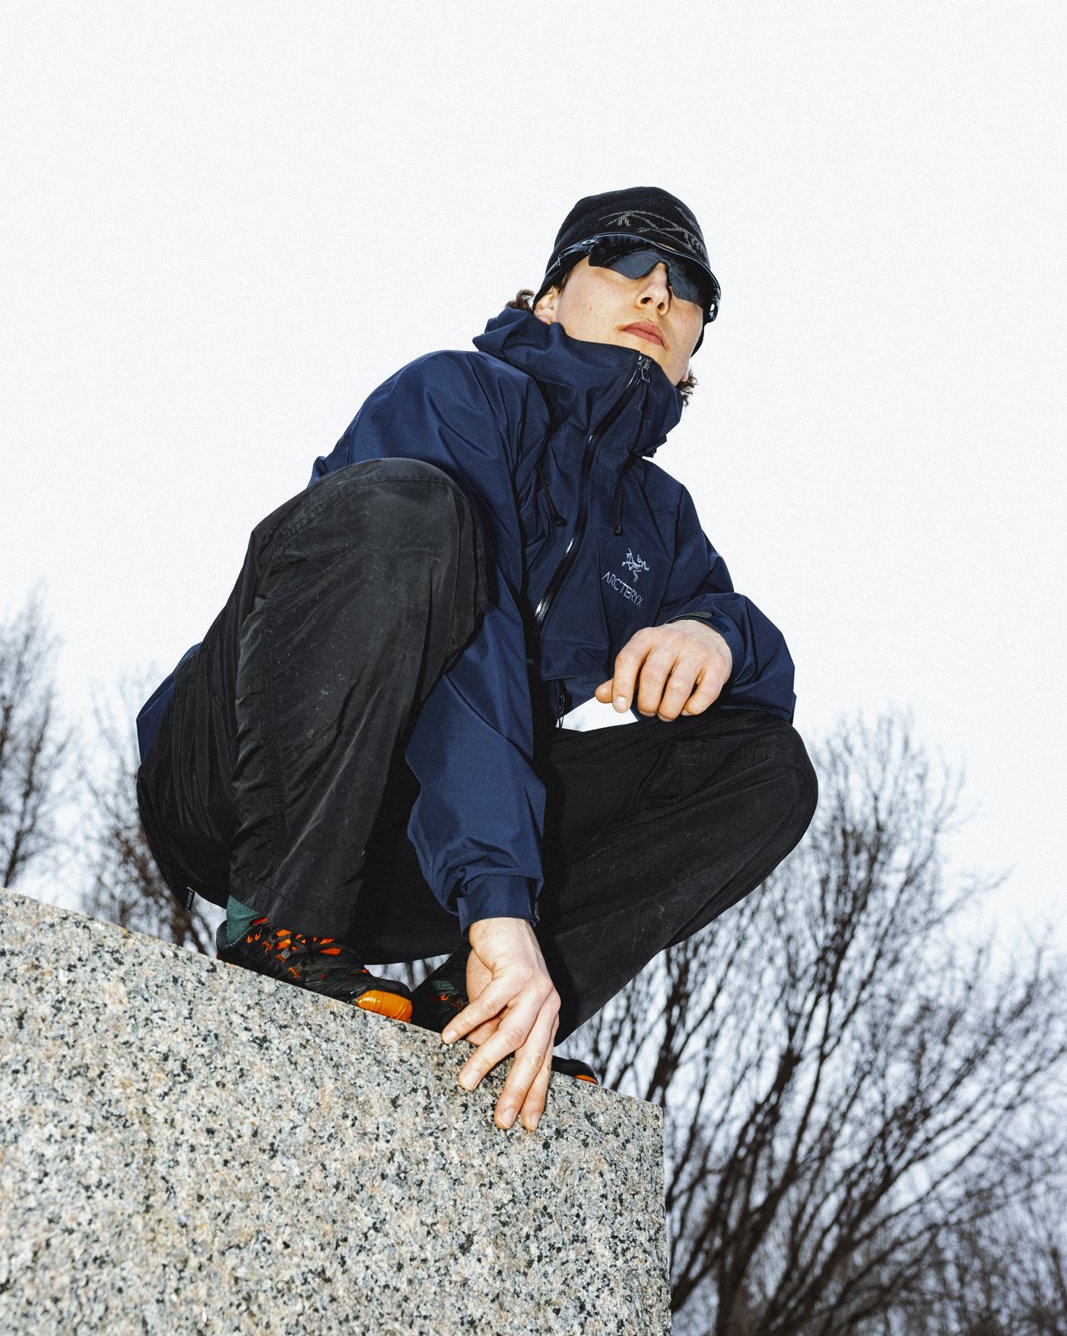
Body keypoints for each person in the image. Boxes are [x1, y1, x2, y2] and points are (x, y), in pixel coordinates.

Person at [136, 185, 817, 1134]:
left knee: (766, 771)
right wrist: (500, 900)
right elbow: (476, 653)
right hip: (242, 781)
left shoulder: (658, 521)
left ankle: (485, 1006)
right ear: (547, 299)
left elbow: (763, 696)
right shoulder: (453, 392)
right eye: (621, 263)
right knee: (411, 512)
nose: (657, 294)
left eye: (687, 287)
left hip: (414, 855)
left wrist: (716, 631)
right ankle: (282, 919)